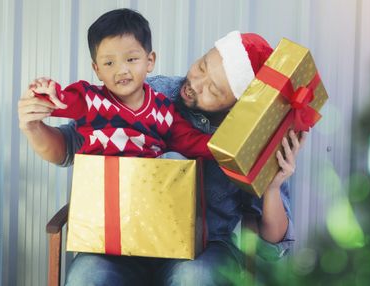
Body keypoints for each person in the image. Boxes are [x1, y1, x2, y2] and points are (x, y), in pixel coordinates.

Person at [18, 28, 306, 285]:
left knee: (195, 278)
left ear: (236, 107)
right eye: (202, 66)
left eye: (213, 90)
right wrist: (34, 125)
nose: (196, 84)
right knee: (87, 277)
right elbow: (68, 146)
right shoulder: (148, 92)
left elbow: (271, 248)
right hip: (122, 241)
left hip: (203, 250)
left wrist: (272, 186)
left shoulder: (255, 140)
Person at [27, 8, 212, 160]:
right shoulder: (90, 100)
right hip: (101, 187)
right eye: (109, 63)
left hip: (148, 189)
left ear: (149, 61)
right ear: (97, 69)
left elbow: (191, 141)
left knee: (175, 158)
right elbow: (60, 101)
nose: (121, 70)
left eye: (131, 59)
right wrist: (44, 91)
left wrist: (223, 148)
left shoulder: (163, 109)